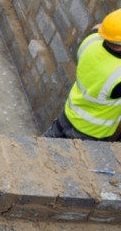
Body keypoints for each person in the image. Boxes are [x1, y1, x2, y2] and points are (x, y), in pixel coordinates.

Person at [43, 8, 121, 140]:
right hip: (89, 132)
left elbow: (98, 27)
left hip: (68, 114)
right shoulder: (117, 76)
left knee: (42, 145)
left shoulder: (90, 41)